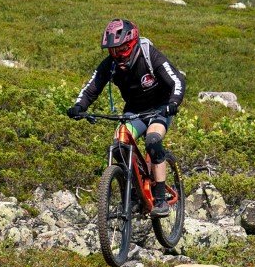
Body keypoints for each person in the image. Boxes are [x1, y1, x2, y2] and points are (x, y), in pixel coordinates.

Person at [66, 18, 186, 216]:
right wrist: (79, 106)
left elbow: (177, 80)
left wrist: (173, 103)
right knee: (119, 143)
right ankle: (132, 194)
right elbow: (91, 88)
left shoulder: (150, 55)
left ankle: (160, 198)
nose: (117, 56)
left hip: (160, 108)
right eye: (112, 51)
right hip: (135, 111)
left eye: (121, 50)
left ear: (131, 44)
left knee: (153, 140)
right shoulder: (110, 65)